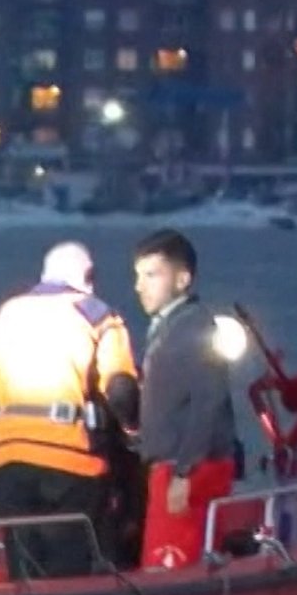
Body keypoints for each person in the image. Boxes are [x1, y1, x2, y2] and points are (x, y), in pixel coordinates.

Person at [0, 241, 140, 578]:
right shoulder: (98, 316)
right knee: (70, 564)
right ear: (88, 275)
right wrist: (132, 431)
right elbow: (120, 390)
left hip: (9, 459)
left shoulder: (3, 315)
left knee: (23, 569)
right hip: (71, 461)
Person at [131, 228, 238, 570]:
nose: (140, 286)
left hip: (186, 466)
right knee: (164, 557)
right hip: (171, 464)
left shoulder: (193, 326)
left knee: (169, 563)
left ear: (182, 279)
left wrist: (184, 472)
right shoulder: (171, 325)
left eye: (152, 275)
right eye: (138, 276)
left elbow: (209, 399)